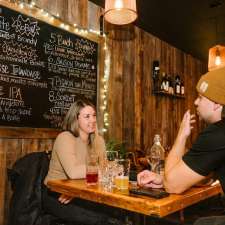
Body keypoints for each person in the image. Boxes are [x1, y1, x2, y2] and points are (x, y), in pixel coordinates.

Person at [138, 67, 225, 224]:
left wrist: (181, 135)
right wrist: (161, 178)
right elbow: (203, 176)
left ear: (217, 104)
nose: (195, 102)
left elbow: (173, 186)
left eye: (200, 97)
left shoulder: (218, 133)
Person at [43, 99, 123, 225]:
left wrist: (77, 192)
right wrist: (104, 169)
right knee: (100, 219)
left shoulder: (98, 141)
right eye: (87, 116)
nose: (92, 120)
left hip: (83, 193)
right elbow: (74, 172)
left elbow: (107, 171)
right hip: (57, 194)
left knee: (118, 213)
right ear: (76, 119)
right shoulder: (65, 138)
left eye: (94, 116)